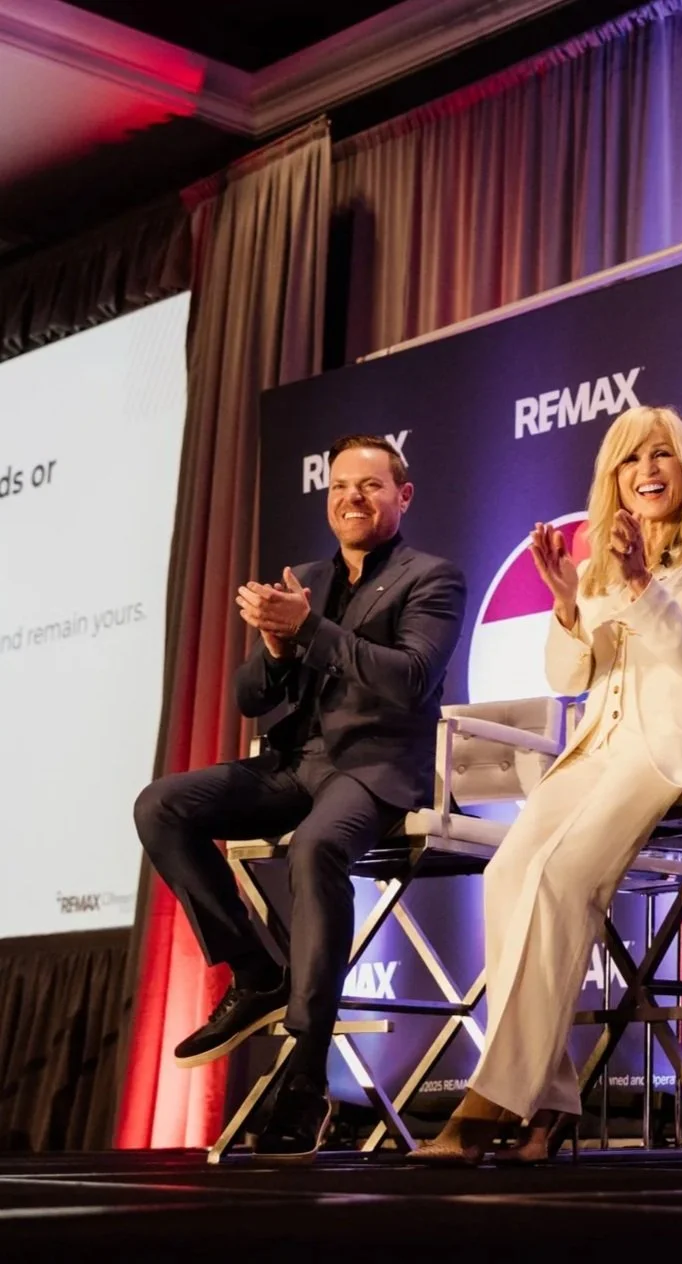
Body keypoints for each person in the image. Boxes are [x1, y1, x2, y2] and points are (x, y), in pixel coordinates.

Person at [413, 406, 682, 1165]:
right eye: (631, 462)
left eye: (661, 455)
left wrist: (644, 586)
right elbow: (570, 678)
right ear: (615, 482)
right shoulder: (597, 566)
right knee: (509, 873)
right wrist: (569, 602)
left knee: (564, 879)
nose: (648, 472)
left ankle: (495, 1099)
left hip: (665, 752)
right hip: (594, 747)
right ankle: (552, 1099)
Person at [133, 434, 467, 1160]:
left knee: (318, 847)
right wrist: (278, 647)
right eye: (342, 486)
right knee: (161, 805)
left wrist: (308, 629)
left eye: (371, 486)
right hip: (293, 765)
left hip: (374, 771)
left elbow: (411, 677)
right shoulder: (307, 577)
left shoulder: (431, 578)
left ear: (402, 497)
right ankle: (256, 973)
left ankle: (307, 1074)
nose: (353, 497)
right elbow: (253, 699)